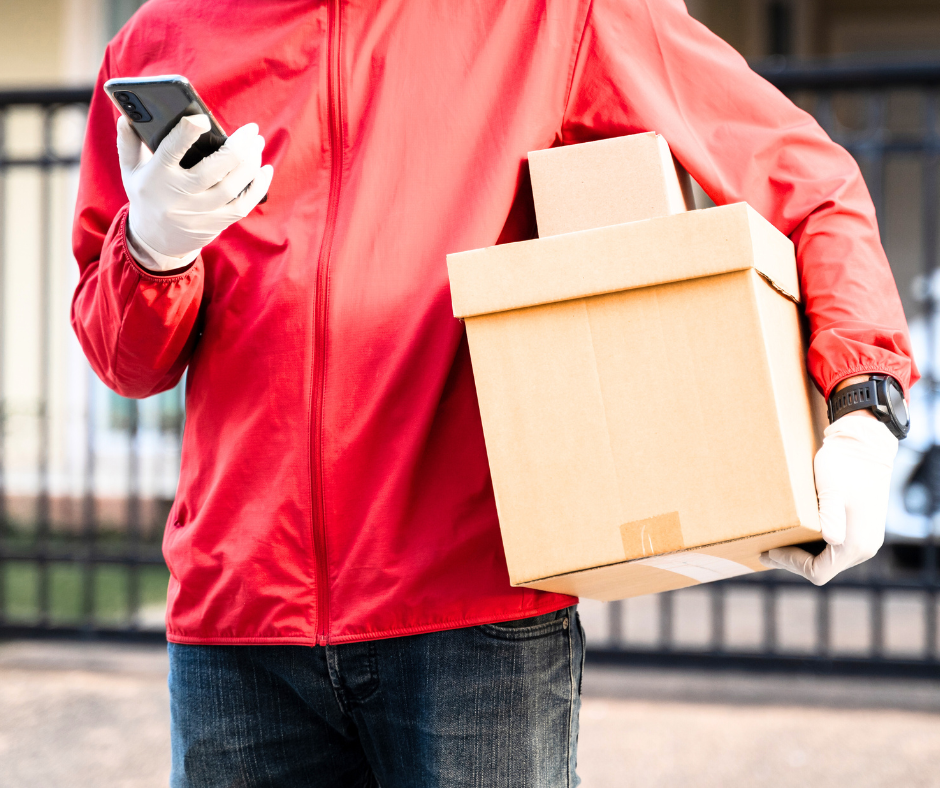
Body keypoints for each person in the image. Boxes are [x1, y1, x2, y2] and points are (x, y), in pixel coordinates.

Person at [71, 0, 917, 785]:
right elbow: (128, 364)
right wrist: (153, 248)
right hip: (236, 627)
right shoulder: (161, 39)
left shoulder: (555, 12)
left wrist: (863, 403)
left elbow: (807, 180)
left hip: (470, 616)